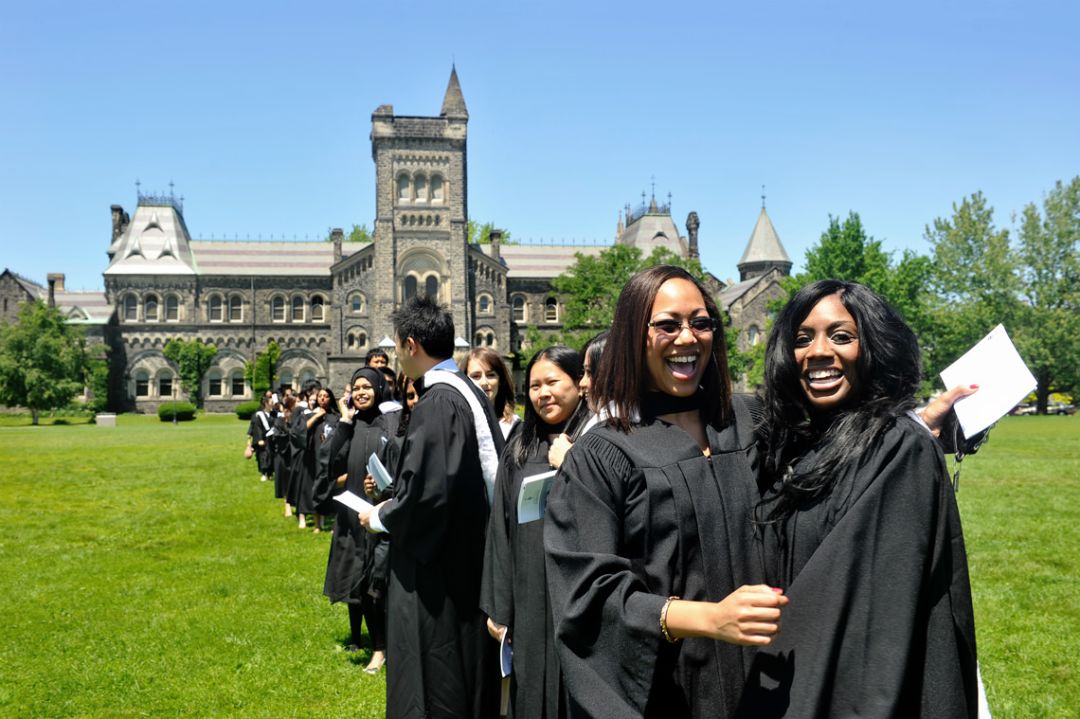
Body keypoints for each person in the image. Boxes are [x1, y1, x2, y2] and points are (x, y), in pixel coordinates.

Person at [544, 266, 788, 718]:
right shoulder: (604, 454)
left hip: (770, 677)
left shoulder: (748, 421)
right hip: (671, 690)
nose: (687, 337)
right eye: (668, 324)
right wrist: (711, 619)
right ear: (634, 336)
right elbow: (590, 597)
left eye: (700, 322)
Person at [740, 280, 979, 717]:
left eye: (841, 336)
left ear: (875, 348)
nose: (817, 352)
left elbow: (879, 625)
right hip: (796, 677)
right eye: (801, 338)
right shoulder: (799, 443)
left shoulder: (899, 449)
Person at [360, 295, 504, 719]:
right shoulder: (465, 393)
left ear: (410, 345)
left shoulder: (438, 402)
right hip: (466, 559)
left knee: (435, 681)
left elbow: (427, 495)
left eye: (397, 351)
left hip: (439, 578)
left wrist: (380, 515)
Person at [482, 346, 588, 719]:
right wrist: (498, 603)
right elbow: (501, 528)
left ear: (580, 383)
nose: (543, 393)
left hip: (578, 595)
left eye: (553, 382)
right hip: (528, 594)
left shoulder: (596, 443)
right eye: (534, 386)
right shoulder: (520, 447)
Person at [319, 367, 391, 671]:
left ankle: (383, 647)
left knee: (378, 584)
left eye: (367, 387)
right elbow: (327, 462)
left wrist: (383, 488)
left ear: (378, 389)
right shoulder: (349, 425)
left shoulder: (392, 424)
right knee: (357, 584)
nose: (361, 392)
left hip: (381, 515)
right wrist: (346, 422)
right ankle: (374, 644)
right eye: (356, 387)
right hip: (351, 516)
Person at [462, 346, 520, 440]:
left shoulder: (515, 429)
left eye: (491, 375)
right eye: (476, 376)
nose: (484, 382)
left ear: (501, 381)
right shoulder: (456, 426)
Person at [246, 394, 274, 481]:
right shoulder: (259, 415)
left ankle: (270, 473)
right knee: (263, 456)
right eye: (271, 402)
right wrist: (259, 439)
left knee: (272, 456)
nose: (273, 404)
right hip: (263, 440)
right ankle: (263, 473)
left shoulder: (274, 414)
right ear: (266, 403)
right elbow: (257, 428)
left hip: (272, 440)